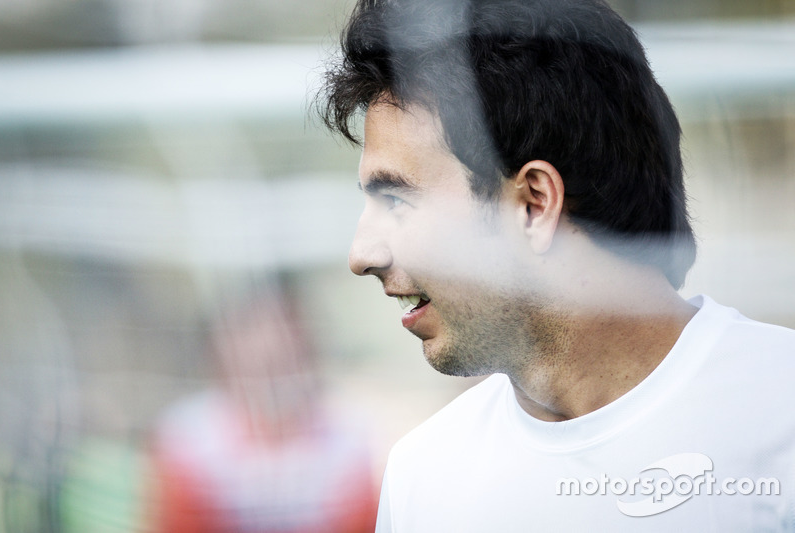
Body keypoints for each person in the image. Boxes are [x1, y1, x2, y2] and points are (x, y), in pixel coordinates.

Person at [317, 0, 795, 530]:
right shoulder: (424, 480)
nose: (362, 256)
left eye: (397, 200)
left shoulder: (780, 412)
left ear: (534, 203)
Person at [151, 284, 378, 533]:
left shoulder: (349, 431)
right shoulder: (188, 436)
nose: (273, 382)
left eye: (284, 361)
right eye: (261, 366)